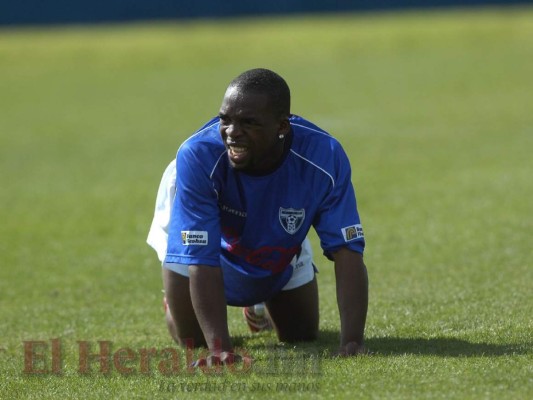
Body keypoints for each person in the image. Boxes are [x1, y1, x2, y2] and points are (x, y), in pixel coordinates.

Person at [147, 68, 368, 363]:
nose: (232, 132)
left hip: (275, 227)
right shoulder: (197, 157)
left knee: (300, 333)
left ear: (281, 126)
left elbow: (347, 250)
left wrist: (352, 341)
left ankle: (257, 305)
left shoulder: (324, 156)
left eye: (248, 123)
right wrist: (220, 349)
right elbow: (202, 258)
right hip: (202, 226)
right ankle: (173, 304)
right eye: (225, 119)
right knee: (193, 338)